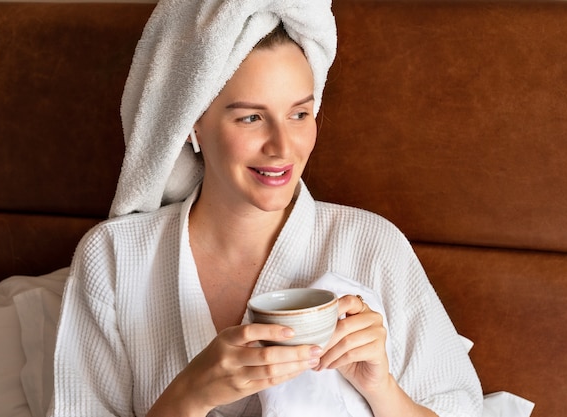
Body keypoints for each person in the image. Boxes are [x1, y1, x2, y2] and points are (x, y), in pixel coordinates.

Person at [50, 1, 483, 416]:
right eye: (251, 118)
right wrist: (186, 397)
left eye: (299, 114)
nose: (282, 147)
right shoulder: (113, 255)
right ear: (191, 124)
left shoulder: (372, 245)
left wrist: (380, 388)